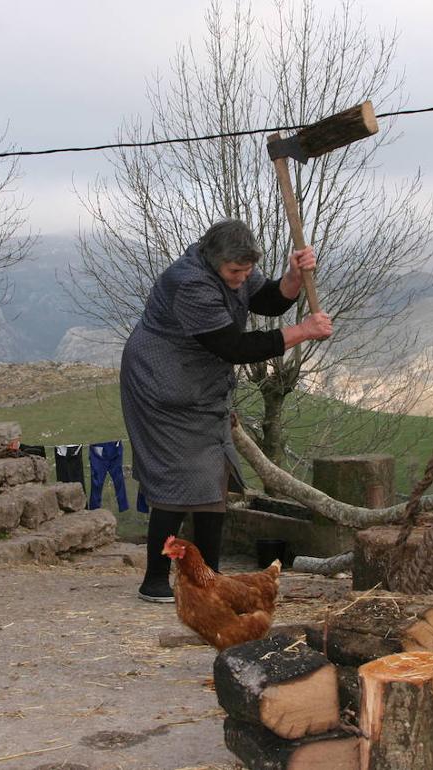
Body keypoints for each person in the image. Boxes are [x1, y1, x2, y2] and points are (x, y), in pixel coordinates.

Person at [121, 219, 333, 602]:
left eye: (247, 271)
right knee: (177, 478)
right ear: (213, 259)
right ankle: (154, 580)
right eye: (235, 272)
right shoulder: (190, 284)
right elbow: (234, 347)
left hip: (199, 386)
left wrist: (293, 277)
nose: (242, 278)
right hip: (161, 384)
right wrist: (302, 331)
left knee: (213, 478)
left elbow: (268, 300)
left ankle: (208, 578)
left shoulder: (232, 268)